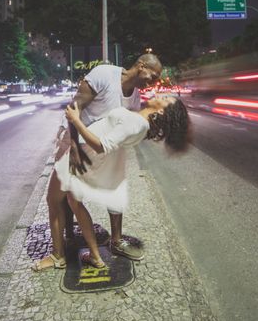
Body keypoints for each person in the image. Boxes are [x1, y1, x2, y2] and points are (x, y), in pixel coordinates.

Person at [32, 95, 190, 271]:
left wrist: (76, 120)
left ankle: (57, 256)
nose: (161, 94)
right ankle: (95, 256)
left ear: (162, 110)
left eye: (166, 98)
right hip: (86, 155)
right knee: (74, 203)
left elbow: (103, 145)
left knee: (53, 202)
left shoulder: (138, 123)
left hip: (79, 155)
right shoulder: (139, 122)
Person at [55, 54, 162, 261]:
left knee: (115, 184)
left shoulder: (135, 97)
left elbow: (123, 129)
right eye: (153, 75)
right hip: (75, 135)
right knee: (69, 188)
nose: (154, 80)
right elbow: (74, 107)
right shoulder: (104, 74)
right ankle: (69, 235)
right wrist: (74, 147)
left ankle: (116, 240)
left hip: (99, 142)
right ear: (141, 66)